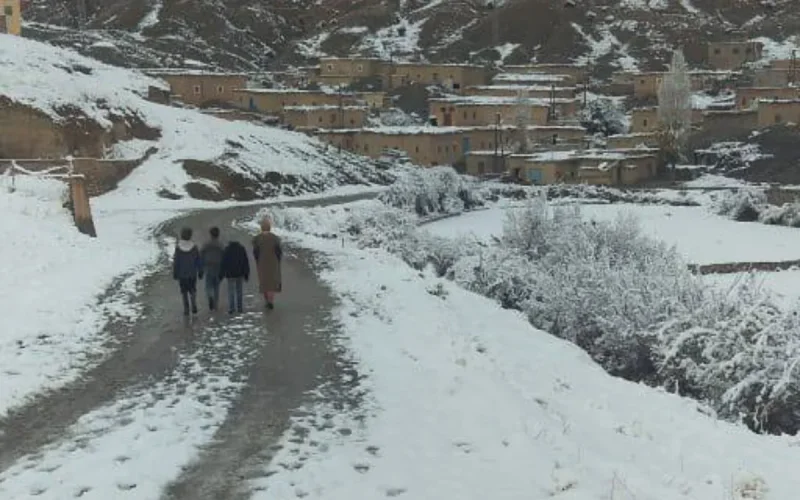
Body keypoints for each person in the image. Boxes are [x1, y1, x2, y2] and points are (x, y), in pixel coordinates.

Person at [252, 217, 282, 309]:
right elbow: (279, 252)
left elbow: (255, 252)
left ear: (261, 228)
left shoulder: (257, 239)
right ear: (269, 227)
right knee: (272, 283)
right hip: (273, 263)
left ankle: (266, 300)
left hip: (262, 263)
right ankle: (270, 301)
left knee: (264, 282)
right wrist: (278, 260)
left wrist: (257, 260)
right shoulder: (275, 238)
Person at [173, 227, 202, 317]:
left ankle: (186, 308)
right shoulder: (194, 247)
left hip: (182, 274)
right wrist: (200, 270)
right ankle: (194, 305)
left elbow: (176, 261)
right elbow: (198, 260)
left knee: (184, 291)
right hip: (192, 273)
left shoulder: (178, 248)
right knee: (193, 289)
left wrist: (175, 273)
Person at [220, 239, 250, 314]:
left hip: (230, 274)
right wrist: (246, 273)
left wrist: (222, 274)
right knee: (239, 290)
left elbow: (223, 262)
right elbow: (245, 261)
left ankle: (231, 308)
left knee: (231, 291)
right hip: (239, 273)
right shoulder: (241, 249)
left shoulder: (227, 249)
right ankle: (239, 307)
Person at [200, 227, 224, 311]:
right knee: (216, 286)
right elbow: (224, 256)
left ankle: (210, 296)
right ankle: (215, 303)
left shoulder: (206, 244)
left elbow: (201, 254)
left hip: (208, 266)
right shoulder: (220, 245)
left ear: (210, 234)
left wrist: (201, 266)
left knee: (208, 285)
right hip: (218, 266)